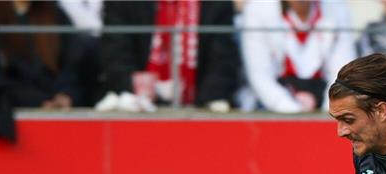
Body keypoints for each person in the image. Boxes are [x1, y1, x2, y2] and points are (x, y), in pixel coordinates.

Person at [97, 0, 238, 112]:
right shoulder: (123, 3)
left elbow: (223, 62)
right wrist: (153, 90)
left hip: (198, 109)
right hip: (137, 108)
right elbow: (115, 58)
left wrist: (200, 107)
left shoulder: (216, 3)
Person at [241, 0, 356, 113]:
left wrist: (328, 113)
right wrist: (292, 112)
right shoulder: (258, 9)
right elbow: (260, 76)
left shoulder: (336, 7)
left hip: (323, 98)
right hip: (273, 107)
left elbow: (342, 72)